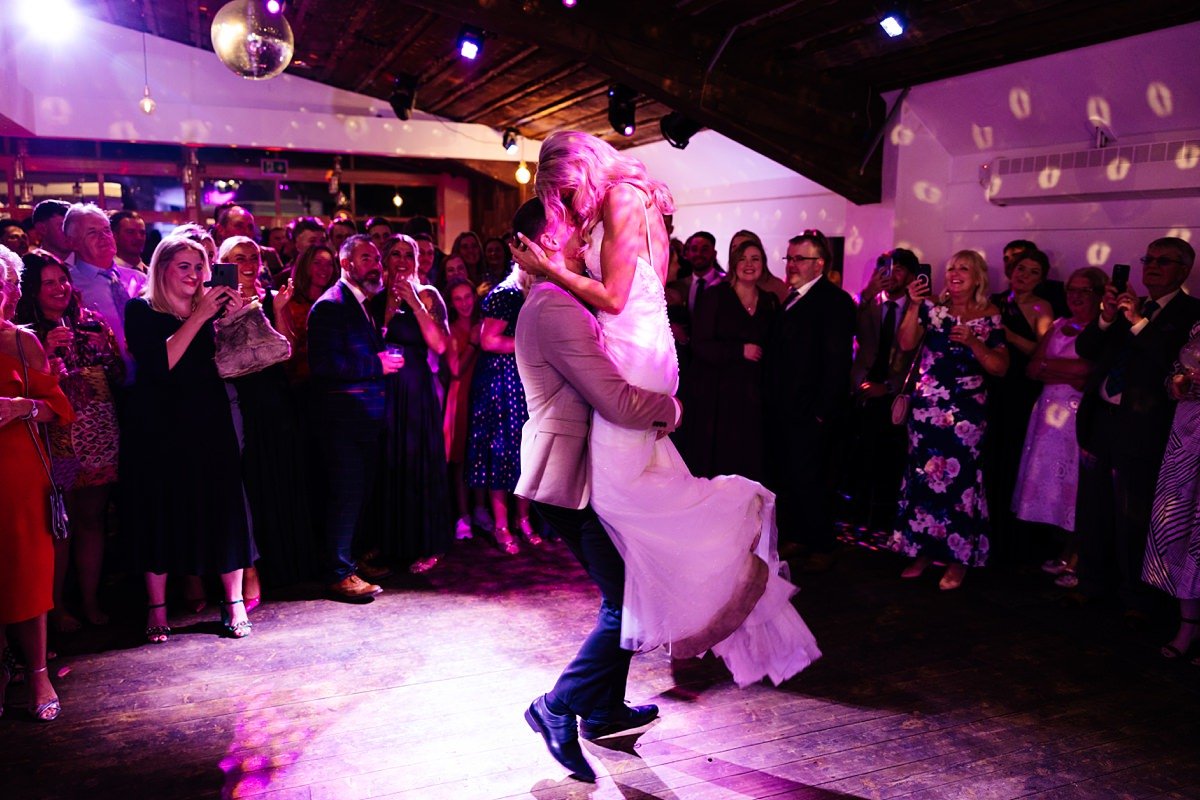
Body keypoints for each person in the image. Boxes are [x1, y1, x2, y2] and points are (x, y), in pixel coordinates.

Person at [515, 130, 820, 687]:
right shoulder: (634, 197)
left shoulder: (621, 198)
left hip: (633, 355)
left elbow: (612, 297)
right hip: (643, 349)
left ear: (580, 169)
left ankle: (715, 551)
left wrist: (550, 269)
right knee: (638, 489)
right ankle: (666, 617)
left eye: (564, 188)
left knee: (616, 497)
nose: (566, 202)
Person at [512, 198, 682, 783]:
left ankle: (604, 710)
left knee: (633, 587)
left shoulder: (564, 297)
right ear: (536, 245)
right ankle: (556, 707)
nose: (581, 236)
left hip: (589, 468)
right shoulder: (553, 307)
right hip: (568, 477)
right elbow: (614, 399)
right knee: (630, 601)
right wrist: (670, 407)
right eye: (566, 231)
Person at [123, 236, 257, 641]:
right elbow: (160, 363)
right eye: (184, 266)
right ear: (162, 268)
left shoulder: (214, 312)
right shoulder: (141, 310)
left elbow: (246, 361)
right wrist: (198, 317)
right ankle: (157, 608)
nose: (195, 274)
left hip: (210, 418)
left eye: (200, 267)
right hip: (159, 425)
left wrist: (237, 318)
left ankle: (233, 602)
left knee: (224, 507)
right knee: (160, 511)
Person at [1074, 237, 1200, 617]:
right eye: (1149, 259)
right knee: (1094, 510)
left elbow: (1173, 364)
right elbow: (1087, 349)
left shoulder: (1190, 313)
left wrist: (1138, 323)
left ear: (1184, 270)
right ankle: (1094, 585)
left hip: (1144, 427)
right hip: (1103, 420)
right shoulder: (1132, 306)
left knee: (1133, 513)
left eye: (1165, 261)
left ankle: (1136, 599)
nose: (1153, 266)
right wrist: (1108, 317)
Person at [890, 250, 1010, 591]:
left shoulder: (989, 315)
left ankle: (958, 559)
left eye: (964, 268)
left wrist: (973, 342)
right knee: (923, 479)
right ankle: (922, 551)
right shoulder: (932, 309)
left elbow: (1001, 367)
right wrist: (914, 305)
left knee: (959, 485)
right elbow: (905, 343)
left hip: (965, 415)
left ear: (978, 277)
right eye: (951, 267)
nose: (955, 273)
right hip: (926, 410)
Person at [16, 250, 122, 631]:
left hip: (97, 430)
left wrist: (106, 350)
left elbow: (118, 373)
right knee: (58, 526)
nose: (60, 288)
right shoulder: (20, 333)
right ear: (31, 290)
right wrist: (45, 354)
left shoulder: (89, 322)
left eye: (62, 279)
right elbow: (19, 387)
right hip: (52, 435)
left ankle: (91, 601)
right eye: (49, 283)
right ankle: (56, 608)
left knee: (92, 519)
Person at [0, 244, 75, 721]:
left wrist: (20, 406)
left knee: (27, 570)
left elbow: (59, 408)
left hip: (20, 472)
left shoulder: (23, 343)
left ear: (8, 289)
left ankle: (37, 671)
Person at [218, 236, 315, 591]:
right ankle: (251, 569)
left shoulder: (273, 296)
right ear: (224, 262)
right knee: (250, 482)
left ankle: (285, 566)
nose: (248, 263)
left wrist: (277, 311)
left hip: (274, 396)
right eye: (239, 257)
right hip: (239, 399)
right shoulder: (215, 301)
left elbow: (286, 349)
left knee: (281, 476)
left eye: (254, 257)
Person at [307, 234, 398, 600]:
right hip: (342, 420)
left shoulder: (363, 303)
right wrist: (376, 363)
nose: (375, 264)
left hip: (363, 418)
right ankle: (338, 571)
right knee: (344, 495)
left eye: (376, 258)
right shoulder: (331, 305)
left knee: (359, 493)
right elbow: (324, 365)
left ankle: (352, 560)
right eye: (365, 258)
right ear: (346, 264)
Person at [762, 229, 856, 570]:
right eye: (789, 258)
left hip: (811, 409)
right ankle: (799, 535)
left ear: (819, 263)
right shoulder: (792, 298)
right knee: (790, 475)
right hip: (785, 406)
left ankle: (822, 542)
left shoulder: (834, 301)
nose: (791, 265)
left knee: (812, 477)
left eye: (799, 258)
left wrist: (821, 412)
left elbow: (837, 362)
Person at [1012, 267, 1106, 588]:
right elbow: (1032, 368)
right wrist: (1063, 370)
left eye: (1084, 291)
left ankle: (1078, 556)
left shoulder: (1101, 331)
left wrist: (1053, 368)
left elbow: (1087, 373)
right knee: (1049, 486)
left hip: (1076, 418)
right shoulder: (1058, 325)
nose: (1076, 297)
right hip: (1045, 418)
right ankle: (1063, 550)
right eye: (1071, 290)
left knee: (1075, 488)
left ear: (1099, 294)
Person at [371, 235, 452, 573]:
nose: (401, 260)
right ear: (384, 261)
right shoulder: (373, 300)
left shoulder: (429, 296)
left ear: (418, 262)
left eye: (409, 255)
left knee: (418, 464)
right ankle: (390, 543)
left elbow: (441, 345)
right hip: (382, 389)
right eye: (394, 254)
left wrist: (415, 304)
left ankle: (428, 542)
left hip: (416, 389)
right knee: (388, 465)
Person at [685, 238, 777, 481]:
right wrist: (738, 351)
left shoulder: (769, 301)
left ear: (763, 265)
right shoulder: (716, 296)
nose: (749, 264)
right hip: (717, 396)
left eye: (755, 259)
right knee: (719, 464)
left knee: (750, 462)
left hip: (753, 397)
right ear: (734, 263)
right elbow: (700, 344)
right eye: (743, 258)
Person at [988, 248, 1053, 564]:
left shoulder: (1043, 307)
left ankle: (1011, 543)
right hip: (990, 387)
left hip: (1021, 391)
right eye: (1020, 268)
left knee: (1013, 460)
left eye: (1033, 272)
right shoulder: (993, 301)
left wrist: (1010, 336)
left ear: (1041, 278)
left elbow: (1042, 354)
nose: (1024, 276)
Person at [466, 264, 536, 553]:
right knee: (500, 452)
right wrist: (530, 344)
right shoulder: (506, 293)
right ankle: (501, 525)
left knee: (526, 450)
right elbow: (488, 339)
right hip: (500, 382)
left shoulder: (526, 292)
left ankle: (523, 519)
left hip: (520, 379)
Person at [847, 248, 919, 531]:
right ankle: (856, 514)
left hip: (896, 396)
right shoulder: (866, 304)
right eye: (885, 268)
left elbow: (916, 357)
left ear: (912, 275)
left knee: (890, 460)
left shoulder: (919, 310)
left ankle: (884, 520)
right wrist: (867, 293)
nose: (891, 275)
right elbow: (843, 329)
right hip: (860, 389)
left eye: (899, 269)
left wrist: (888, 387)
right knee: (858, 455)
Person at [1143, 320, 1200, 663]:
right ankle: (1188, 625)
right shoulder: (1196, 325)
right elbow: (1176, 373)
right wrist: (1176, 384)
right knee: (1179, 530)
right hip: (1186, 437)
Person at [442, 277, 485, 540]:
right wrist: (472, 343)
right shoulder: (452, 329)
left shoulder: (484, 324)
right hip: (460, 396)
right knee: (459, 459)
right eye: (458, 299)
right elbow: (455, 369)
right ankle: (463, 515)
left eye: (468, 297)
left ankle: (480, 509)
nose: (464, 303)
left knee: (479, 455)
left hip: (482, 394)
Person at [273, 243, 339, 387]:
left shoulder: (335, 304)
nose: (324, 269)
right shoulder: (289, 303)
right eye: (317, 263)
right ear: (305, 266)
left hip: (330, 383)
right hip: (297, 385)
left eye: (329, 264)